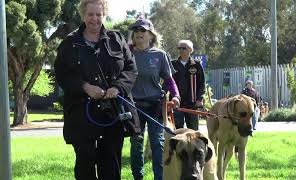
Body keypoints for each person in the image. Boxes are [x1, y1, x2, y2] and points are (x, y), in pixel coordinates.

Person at [54, 0, 140, 179]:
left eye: (98, 14)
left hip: (113, 114)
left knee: (111, 164)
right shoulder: (69, 43)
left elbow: (131, 69)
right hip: (81, 114)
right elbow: (62, 75)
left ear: (104, 15)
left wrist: (118, 87)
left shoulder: (117, 39)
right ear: (83, 15)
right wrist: (84, 87)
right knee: (85, 162)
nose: (94, 19)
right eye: (90, 14)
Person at [128, 18, 180, 180]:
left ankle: (159, 177)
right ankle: (138, 177)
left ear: (151, 35)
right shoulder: (127, 53)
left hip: (155, 105)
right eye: (136, 30)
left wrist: (176, 95)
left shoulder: (159, 55)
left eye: (142, 30)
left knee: (157, 144)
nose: (138, 33)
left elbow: (169, 79)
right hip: (133, 105)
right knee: (136, 143)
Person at [171, 40, 205, 130]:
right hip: (177, 102)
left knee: (193, 129)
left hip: (192, 103)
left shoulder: (196, 64)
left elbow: (202, 83)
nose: (181, 50)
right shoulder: (173, 64)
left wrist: (200, 98)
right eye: (179, 48)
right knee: (177, 130)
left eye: (184, 48)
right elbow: (168, 82)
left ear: (190, 50)